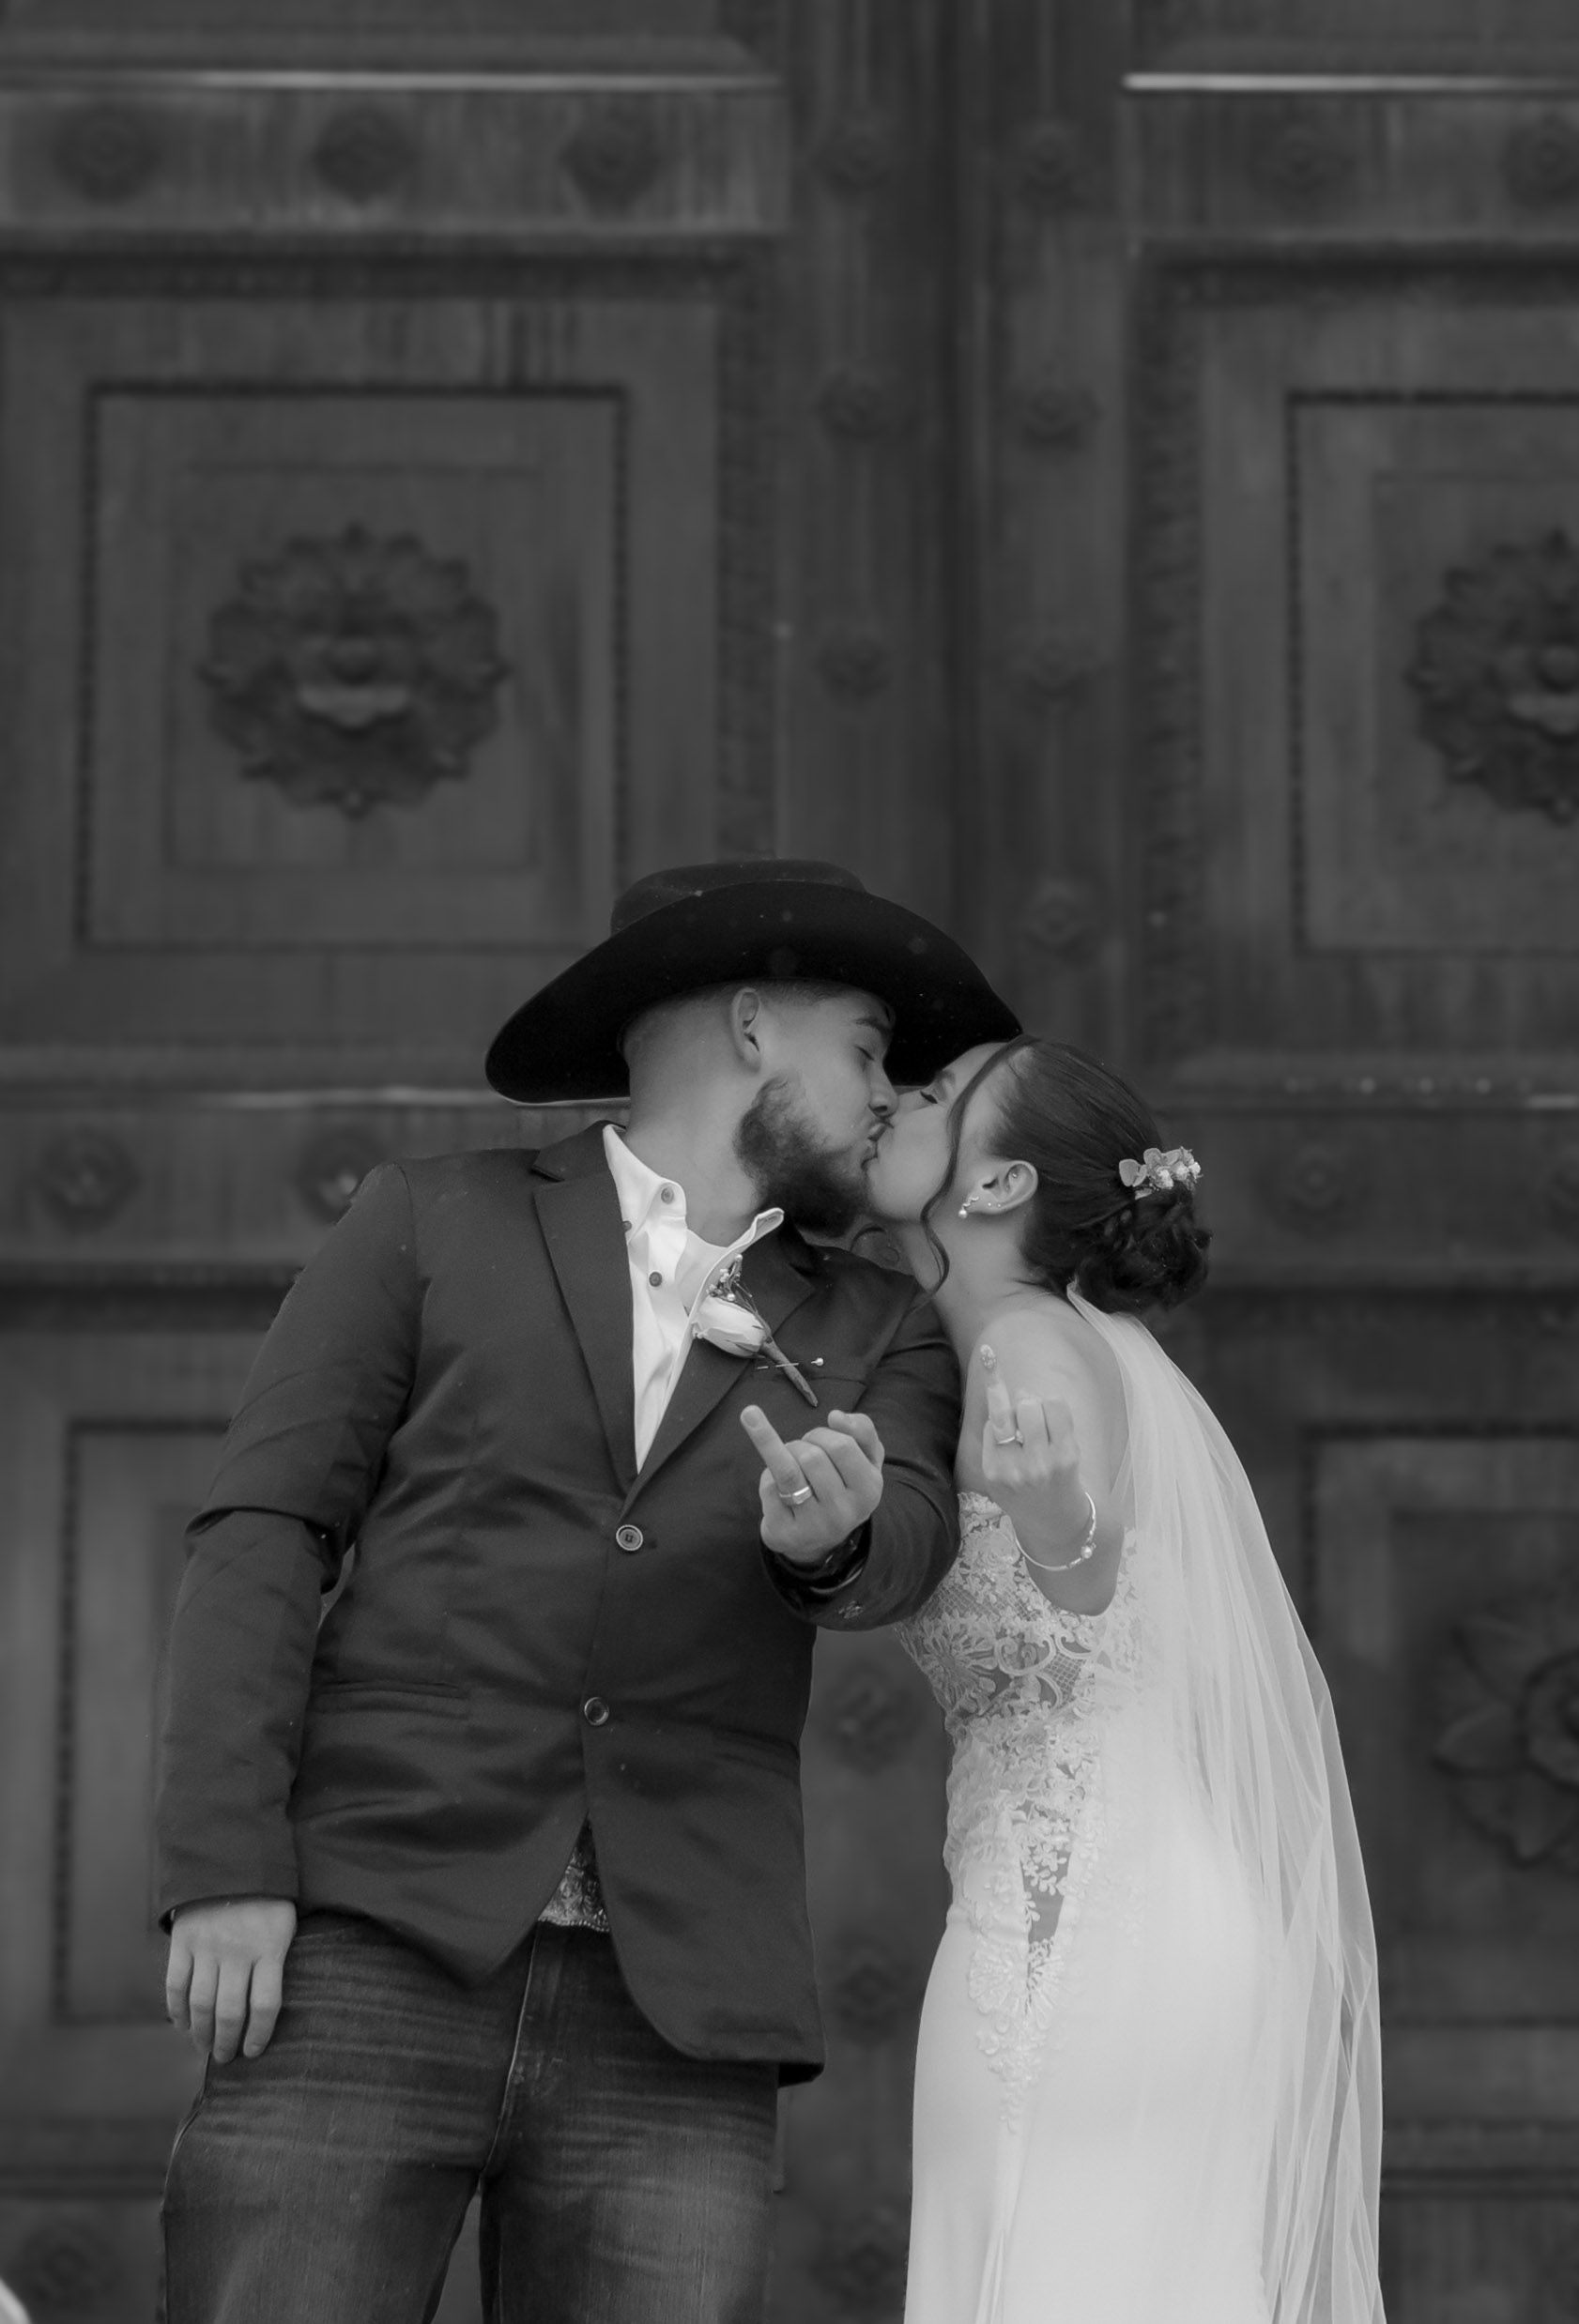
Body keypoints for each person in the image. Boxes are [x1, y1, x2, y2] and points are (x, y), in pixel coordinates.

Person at [154, 857, 1019, 2324]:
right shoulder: (429, 1219)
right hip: (369, 1945)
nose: (888, 1098)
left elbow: (911, 1537)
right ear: (752, 1025)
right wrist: (222, 1868)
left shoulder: (885, 1320)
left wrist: (830, 1537)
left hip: (679, 2007)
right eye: (870, 1051)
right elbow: (265, 1531)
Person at [864, 1036, 1385, 2324]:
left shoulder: (1024, 1349)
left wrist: (1058, 1531)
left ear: (997, 1186)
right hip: (1108, 1898)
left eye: (936, 1095)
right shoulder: (1026, 1338)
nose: (894, 1098)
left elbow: (1086, 1578)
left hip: (1080, 1918)